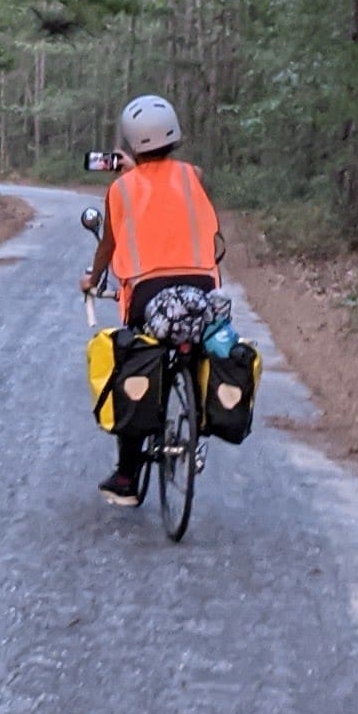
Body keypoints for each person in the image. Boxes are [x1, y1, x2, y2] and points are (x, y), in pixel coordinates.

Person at [83, 94, 223, 506]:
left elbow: (108, 246)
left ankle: (127, 477)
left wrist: (92, 279)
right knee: (195, 343)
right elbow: (176, 185)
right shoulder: (194, 176)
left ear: (128, 143)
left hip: (148, 295)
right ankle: (196, 426)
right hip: (201, 289)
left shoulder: (121, 190)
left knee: (135, 362)